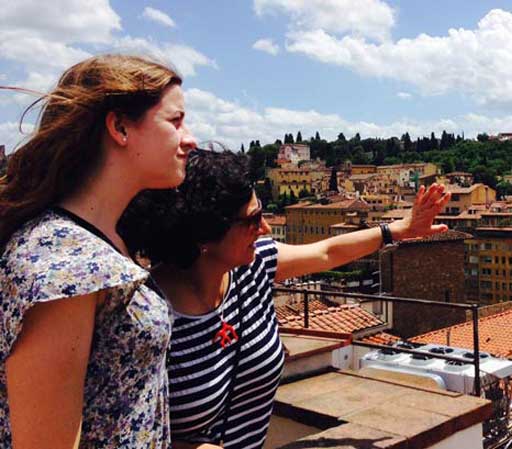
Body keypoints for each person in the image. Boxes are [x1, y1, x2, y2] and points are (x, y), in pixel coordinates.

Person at [119, 150, 451, 449]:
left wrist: (398, 230)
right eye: (252, 219)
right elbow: (127, 433)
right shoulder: (144, 312)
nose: (265, 228)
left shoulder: (255, 266)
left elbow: (326, 252)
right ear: (205, 233)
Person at [0, 54, 197, 448]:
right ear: (120, 127)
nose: (190, 138)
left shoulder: (97, 240)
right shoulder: (64, 263)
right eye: (175, 121)